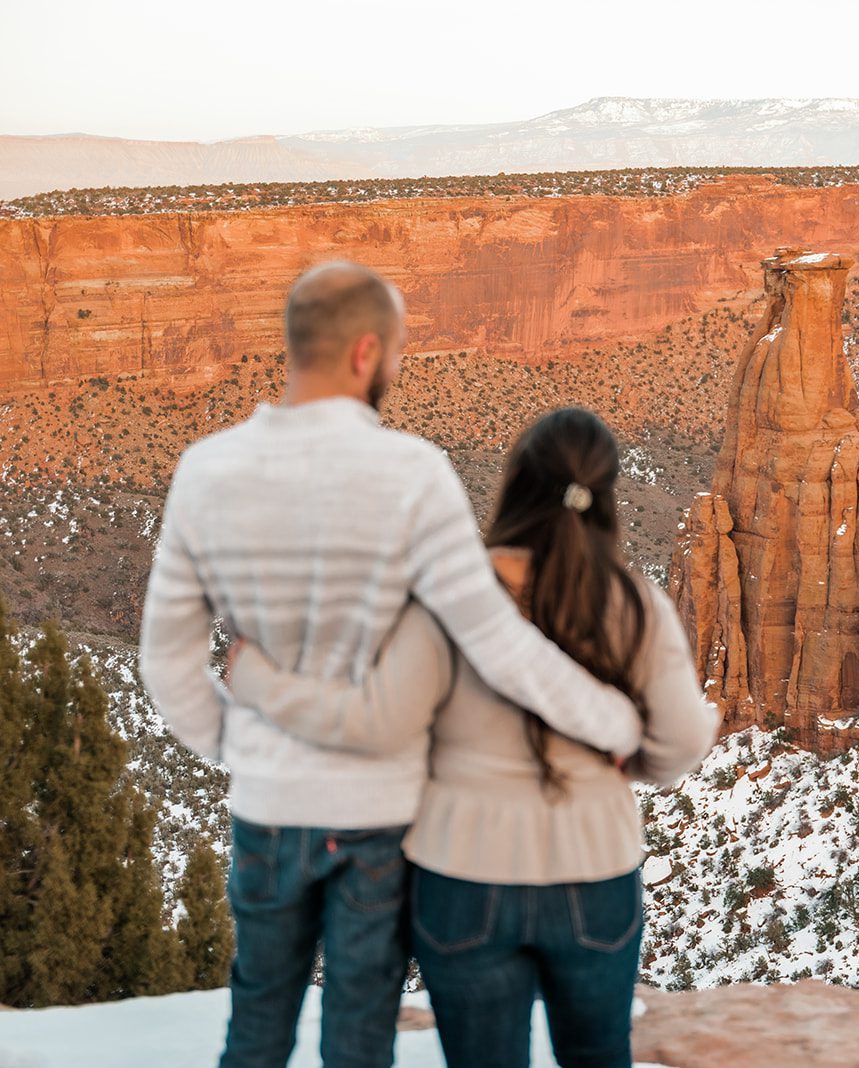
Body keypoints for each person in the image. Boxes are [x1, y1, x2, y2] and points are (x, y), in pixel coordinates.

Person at [139, 264, 643, 1068]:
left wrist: (245, 748)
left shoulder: (207, 469)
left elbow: (165, 659)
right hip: (376, 815)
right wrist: (612, 719)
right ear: (366, 352)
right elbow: (494, 640)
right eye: (399, 353)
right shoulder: (413, 474)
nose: (400, 370)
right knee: (360, 1030)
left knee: (257, 1026)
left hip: (268, 806)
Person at [230, 406, 719, 1068]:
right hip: (594, 871)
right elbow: (683, 739)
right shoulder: (631, 602)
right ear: (604, 497)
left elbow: (375, 723)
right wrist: (632, 750)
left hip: (462, 876)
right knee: (599, 1056)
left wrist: (254, 677)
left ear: (516, 484)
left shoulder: (447, 595)